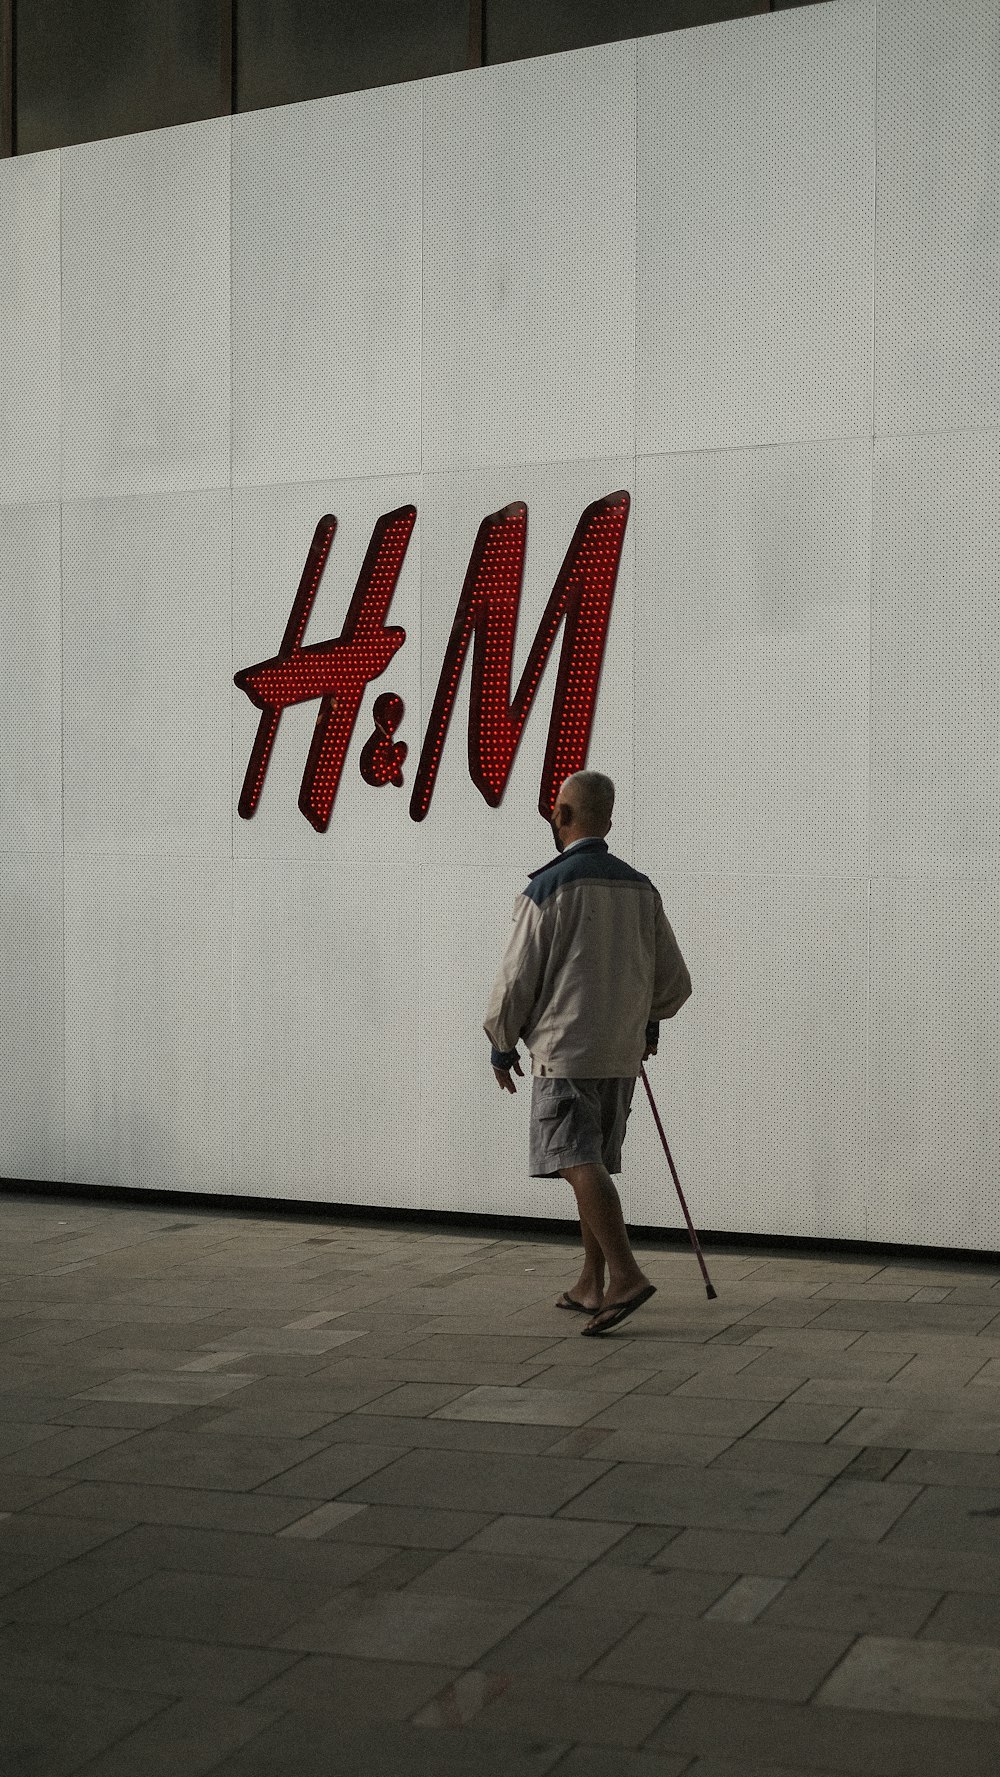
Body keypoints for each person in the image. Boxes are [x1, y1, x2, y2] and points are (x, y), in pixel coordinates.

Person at [484, 771, 692, 1336]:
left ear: (562, 814)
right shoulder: (641, 888)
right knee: (593, 1161)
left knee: (576, 1161)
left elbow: (515, 980)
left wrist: (501, 1044)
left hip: (565, 1052)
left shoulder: (547, 888)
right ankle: (588, 1284)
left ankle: (624, 1275)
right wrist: (648, 1024)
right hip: (621, 1055)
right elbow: (672, 980)